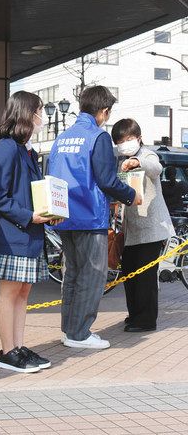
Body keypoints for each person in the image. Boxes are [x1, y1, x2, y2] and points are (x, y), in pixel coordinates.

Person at [48, 86, 141, 350]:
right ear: (104, 111)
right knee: (93, 275)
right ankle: (80, 333)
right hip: (90, 216)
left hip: (64, 216)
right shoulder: (97, 137)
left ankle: (69, 330)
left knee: (73, 274)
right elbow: (107, 180)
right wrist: (130, 194)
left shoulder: (63, 137)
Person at [0, 91, 58, 373]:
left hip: (29, 232)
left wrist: (50, 214)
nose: (42, 116)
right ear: (27, 113)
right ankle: (8, 351)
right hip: (13, 232)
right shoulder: (6, 148)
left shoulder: (25, 150)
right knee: (10, 292)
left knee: (23, 292)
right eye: (39, 110)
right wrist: (29, 216)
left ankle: (17, 346)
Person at [111, 119, 174, 332]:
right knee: (130, 273)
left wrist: (138, 163)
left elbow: (156, 168)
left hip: (151, 228)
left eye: (129, 139)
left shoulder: (145, 154)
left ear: (138, 138)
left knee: (146, 276)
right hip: (132, 230)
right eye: (120, 140)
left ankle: (146, 320)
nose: (125, 143)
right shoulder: (122, 159)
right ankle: (135, 315)